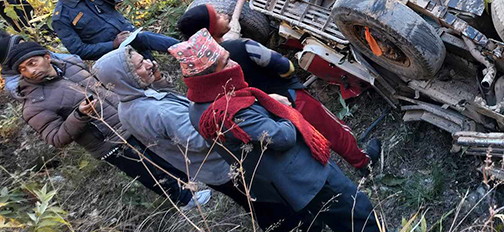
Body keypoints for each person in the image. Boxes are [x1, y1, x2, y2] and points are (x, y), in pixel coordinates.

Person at [171, 31, 380, 232]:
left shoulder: (198, 106)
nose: (234, 63)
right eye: (226, 62)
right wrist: (282, 109)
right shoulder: (229, 112)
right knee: (357, 212)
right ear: (209, 77)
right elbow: (284, 137)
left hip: (284, 182)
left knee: (338, 219)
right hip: (305, 177)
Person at [177, 4, 379, 170]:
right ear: (209, 29)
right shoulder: (242, 46)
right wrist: (286, 78)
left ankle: (330, 170)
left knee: (307, 143)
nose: (224, 14)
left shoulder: (202, 72)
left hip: (268, 118)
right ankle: (363, 162)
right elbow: (285, 66)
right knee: (333, 130)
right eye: (218, 16)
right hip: (289, 98)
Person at [11, 40, 210, 209]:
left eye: (32, 63)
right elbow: (55, 138)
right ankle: (185, 200)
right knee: (151, 172)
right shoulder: (34, 104)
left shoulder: (71, 64)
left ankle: (192, 184)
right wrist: (79, 116)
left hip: (129, 121)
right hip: (110, 142)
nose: (30, 71)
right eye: (23, 69)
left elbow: (103, 84)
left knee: (165, 156)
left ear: (47, 57)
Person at [93, 47, 276, 223]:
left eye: (144, 59)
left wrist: (159, 82)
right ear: (123, 78)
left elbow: (171, 111)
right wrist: (238, 119)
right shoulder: (156, 111)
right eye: (140, 65)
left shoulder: (127, 105)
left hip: (208, 171)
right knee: (270, 206)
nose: (150, 64)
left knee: (254, 206)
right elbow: (200, 139)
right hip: (223, 165)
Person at [52, 0, 179, 60]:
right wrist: (113, 44)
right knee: (146, 44)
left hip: (130, 34)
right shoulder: (61, 17)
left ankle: (185, 49)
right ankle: (186, 49)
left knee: (152, 63)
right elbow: (80, 51)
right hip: (115, 55)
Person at [0, 31, 81, 99]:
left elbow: (73, 60)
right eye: (19, 46)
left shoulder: (36, 55)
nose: (25, 47)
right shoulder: (15, 86)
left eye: (23, 43)